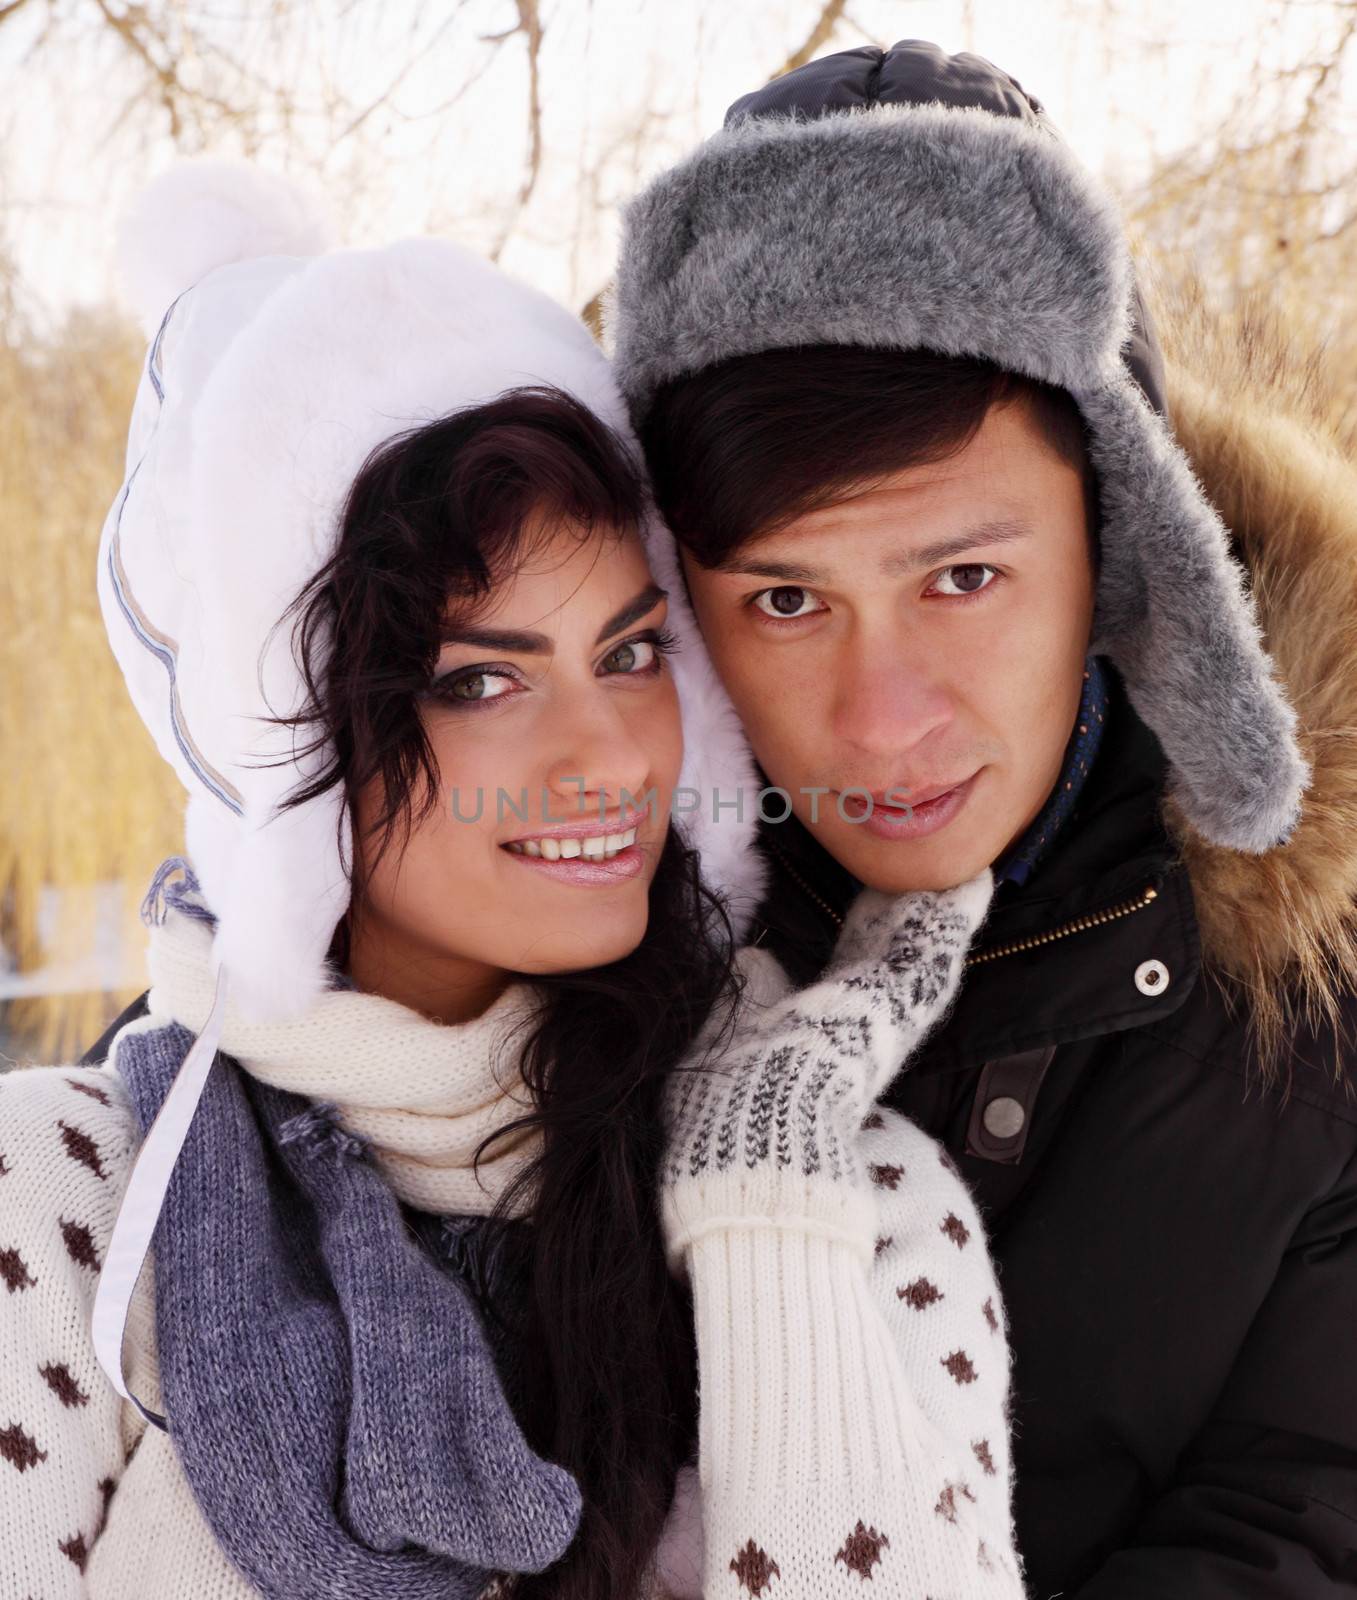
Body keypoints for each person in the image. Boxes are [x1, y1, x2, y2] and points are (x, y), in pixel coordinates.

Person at [0, 160, 1019, 1600]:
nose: (608, 758)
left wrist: (764, 1213)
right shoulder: (56, 1202)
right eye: (480, 678)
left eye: (630, 651)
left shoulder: (857, 1196)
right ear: (283, 749)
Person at [609, 38, 1357, 1597]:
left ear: (1120, 549)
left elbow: (1307, 1515)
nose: (882, 719)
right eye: (786, 596)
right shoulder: (570, 936)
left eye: (962, 576)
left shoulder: (1318, 1011)